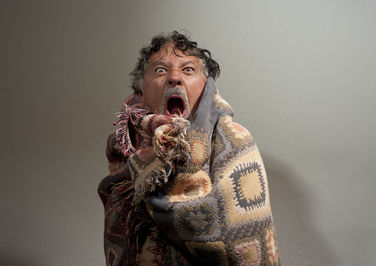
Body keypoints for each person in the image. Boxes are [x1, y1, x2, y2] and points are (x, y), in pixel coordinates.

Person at [98, 31, 280, 265]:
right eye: (160, 70)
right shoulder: (125, 145)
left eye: (188, 70)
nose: (174, 78)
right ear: (141, 90)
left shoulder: (236, 141)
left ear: (206, 87)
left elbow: (246, 240)